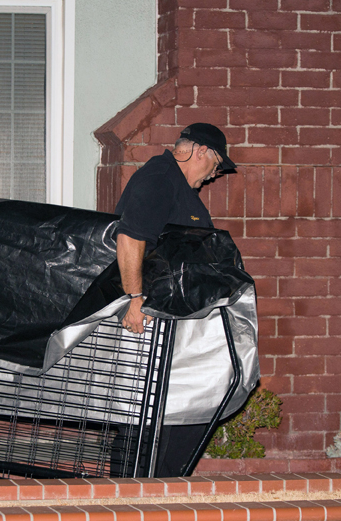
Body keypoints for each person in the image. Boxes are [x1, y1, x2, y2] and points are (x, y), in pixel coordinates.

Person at [113, 122, 236, 477]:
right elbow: (130, 239)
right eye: (216, 165)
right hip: (150, 320)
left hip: (171, 324)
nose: (215, 175)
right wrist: (135, 299)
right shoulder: (160, 178)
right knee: (149, 419)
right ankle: (136, 495)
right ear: (201, 152)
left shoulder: (176, 187)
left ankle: (156, 491)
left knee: (175, 415)